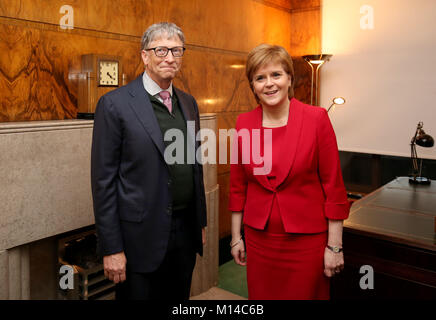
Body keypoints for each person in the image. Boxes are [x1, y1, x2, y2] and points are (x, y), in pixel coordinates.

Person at [91, 22, 207, 300]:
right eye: (161, 50)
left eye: (177, 51)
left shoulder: (189, 103)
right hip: (138, 239)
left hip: (184, 234)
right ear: (145, 55)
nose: (170, 58)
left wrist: (199, 222)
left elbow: (194, 167)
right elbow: (103, 182)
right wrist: (111, 247)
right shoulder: (114, 104)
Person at [228, 43, 350, 300]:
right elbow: (238, 186)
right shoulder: (243, 124)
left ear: (289, 79)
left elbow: (334, 187)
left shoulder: (316, 119)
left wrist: (334, 247)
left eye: (276, 75)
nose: (269, 84)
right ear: (252, 85)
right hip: (260, 240)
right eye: (260, 78)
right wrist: (236, 238)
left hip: (307, 242)